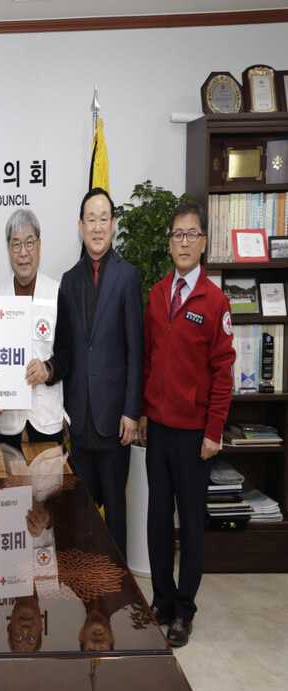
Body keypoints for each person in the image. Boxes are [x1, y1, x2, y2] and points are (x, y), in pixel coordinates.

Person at [139, 201, 235, 647]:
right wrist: (143, 411)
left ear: (203, 243)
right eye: (177, 234)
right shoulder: (158, 295)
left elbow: (223, 372)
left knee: (191, 525)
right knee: (158, 519)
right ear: (170, 242)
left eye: (191, 234)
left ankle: (183, 610)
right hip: (157, 429)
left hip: (195, 435)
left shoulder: (215, 302)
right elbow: (148, 358)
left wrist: (214, 431)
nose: (183, 242)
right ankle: (161, 600)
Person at [54, 187, 144, 558]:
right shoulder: (68, 280)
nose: (96, 227)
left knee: (116, 516)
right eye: (90, 219)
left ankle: (118, 588)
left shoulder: (127, 276)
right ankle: (84, 585)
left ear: (113, 224)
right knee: (81, 512)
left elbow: (135, 350)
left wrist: (131, 411)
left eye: (103, 218)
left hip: (114, 419)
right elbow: (64, 350)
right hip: (79, 418)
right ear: (80, 226)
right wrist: (60, 408)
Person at [0, 209, 68, 448]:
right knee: (6, 474)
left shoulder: (56, 294)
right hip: (7, 422)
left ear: (39, 245)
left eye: (29, 242)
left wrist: (48, 369)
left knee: (49, 476)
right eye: (16, 244)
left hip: (46, 421)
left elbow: (67, 354)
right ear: (8, 249)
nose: (23, 252)